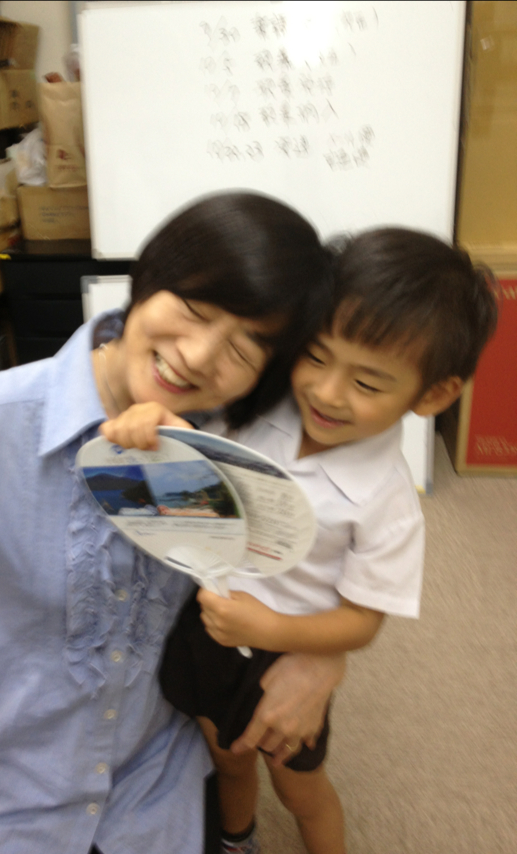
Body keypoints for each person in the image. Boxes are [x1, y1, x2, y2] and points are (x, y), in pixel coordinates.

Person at [0, 191, 346, 854]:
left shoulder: (235, 446)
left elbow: (330, 545)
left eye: (244, 349)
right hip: (8, 799)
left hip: (157, 789)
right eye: (193, 309)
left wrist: (322, 655)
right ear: (149, 278)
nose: (198, 355)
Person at [104, 227, 498, 854]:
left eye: (368, 384)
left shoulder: (387, 502)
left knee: (300, 791)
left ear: (433, 394)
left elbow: (362, 622)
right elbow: (198, 456)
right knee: (225, 756)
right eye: (315, 356)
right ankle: (237, 838)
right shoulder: (262, 404)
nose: (326, 392)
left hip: (284, 654)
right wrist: (158, 421)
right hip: (203, 625)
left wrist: (272, 630)